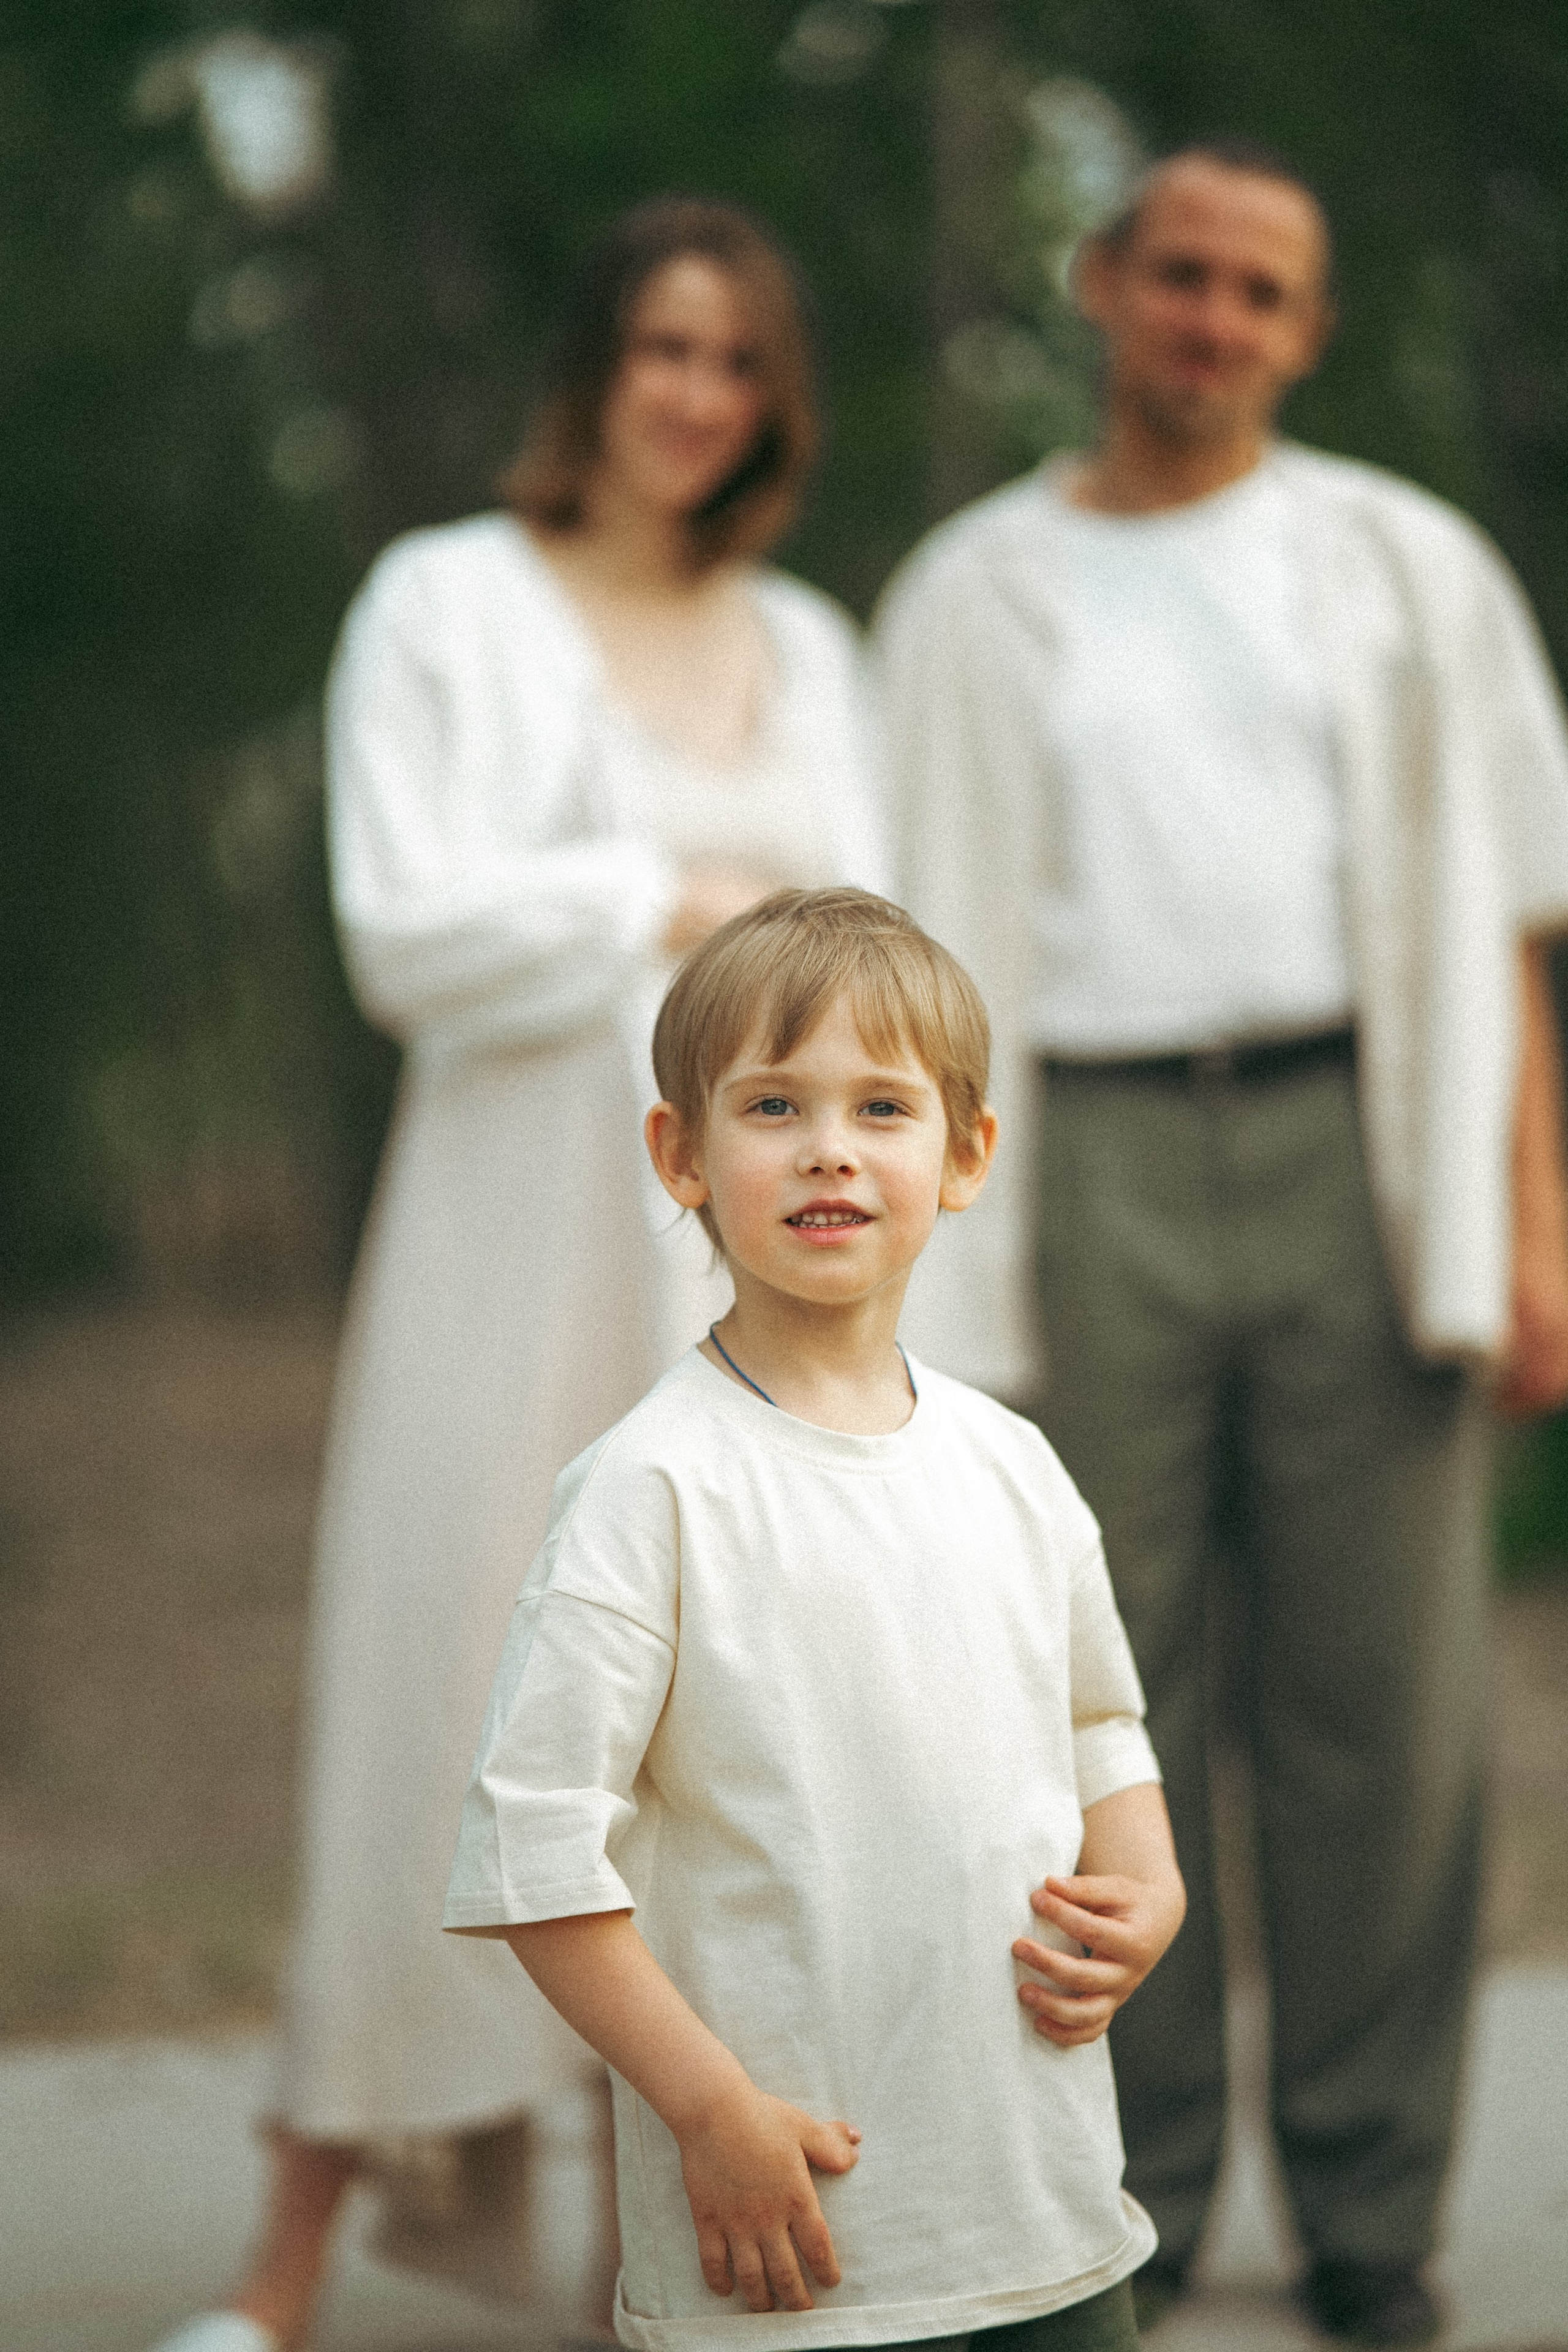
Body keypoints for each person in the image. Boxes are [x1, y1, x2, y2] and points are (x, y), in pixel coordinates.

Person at [154, 203, 883, 2352]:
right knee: (447, 1718)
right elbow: (411, 933)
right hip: (505, 1262)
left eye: (738, 361)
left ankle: (653, 2280)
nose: (697, 393)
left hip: (743, 1285)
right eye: (662, 346)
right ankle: (280, 2276)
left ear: (775, 403)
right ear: (593, 367)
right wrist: (672, 890)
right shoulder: (444, 602)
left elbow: (876, 969)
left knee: (734, 1751)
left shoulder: (816, 644)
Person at [878, 143, 1568, 2347]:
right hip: (1074, 1155)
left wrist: (1536, 1218)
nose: (1215, 320)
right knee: (1097, 1698)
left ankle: (1374, 2206)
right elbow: (888, 938)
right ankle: (1132, 2196)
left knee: (1391, 1712)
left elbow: (1512, 927)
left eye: (1262, 291)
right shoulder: (971, 591)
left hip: (1367, 1141)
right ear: (1101, 283)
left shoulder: (1404, 565)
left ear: (1308, 329)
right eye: (1180, 275)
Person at [443, 885, 1186, 2352]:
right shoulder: (648, 1490)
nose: (828, 1146)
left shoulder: (1010, 1464)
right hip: (787, 2245)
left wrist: (1148, 1885)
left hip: (1044, 2218)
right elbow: (529, 1845)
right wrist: (707, 2110)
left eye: (881, 1107)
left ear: (965, 1154)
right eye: (772, 1104)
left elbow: (1098, 1712)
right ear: (683, 1155)